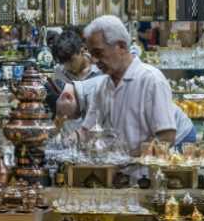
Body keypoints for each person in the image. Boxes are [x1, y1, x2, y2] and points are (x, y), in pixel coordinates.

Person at [58, 15, 195, 154]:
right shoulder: (103, 86)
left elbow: (166, 137)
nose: (94, 60)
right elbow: (86, 130)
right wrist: (64, 144)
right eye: (91, 54)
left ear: (121, 46)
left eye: (98, 53)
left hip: (153, 164)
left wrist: (126, 158)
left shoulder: (151, 80)